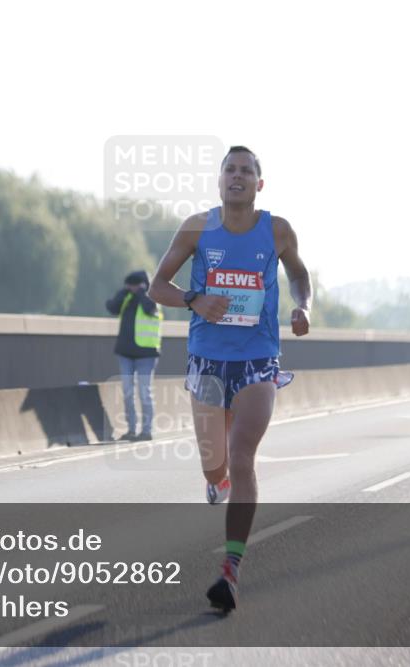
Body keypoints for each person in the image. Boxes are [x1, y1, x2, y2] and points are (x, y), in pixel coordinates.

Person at [147, 146, 311, 611]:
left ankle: (231, 569)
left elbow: (300, 276)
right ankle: (215, 481)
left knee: (242, 456)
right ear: (219, 181)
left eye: (246, 171)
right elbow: (160, 285)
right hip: (207, 360)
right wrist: (195, 299)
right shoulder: (198, 227)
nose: (237, 177)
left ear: (259, 184)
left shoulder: (276, 230)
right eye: (229, 170)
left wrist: (303, 307)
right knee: (214, 464)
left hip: (258, 360)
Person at [105, 270, 163, 441]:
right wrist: (122, 294)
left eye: (132, 284)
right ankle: (131, 429)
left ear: (142, 284)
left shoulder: (152, 297)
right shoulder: (127, 297)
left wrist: (142, 293)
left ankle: (146, 431)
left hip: (146, 353)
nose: (129, 288)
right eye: (127, 285)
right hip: (125, 353)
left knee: (144, 392)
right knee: (128, 392)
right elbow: (112, 308)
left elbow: (149, 309)